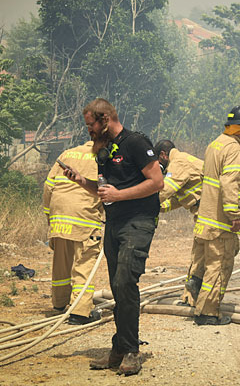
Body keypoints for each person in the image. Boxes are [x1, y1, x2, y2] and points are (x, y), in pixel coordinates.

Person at [63, 98, 163, 376]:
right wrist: (81, 181)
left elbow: (157, 182)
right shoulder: (104, 150)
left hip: (139, 221)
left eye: (91, 125)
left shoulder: (135, 143)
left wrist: (119, 195)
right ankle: (120, 347)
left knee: (124, 280)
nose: (89, 131)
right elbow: (105, 190)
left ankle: (131, 350)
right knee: (118, 288)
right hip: (115, 223)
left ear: (105, 119)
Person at [191, 105, 240, 326]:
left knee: (207, 264)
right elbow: (229, 182)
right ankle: (207, 312)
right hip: (220, 223)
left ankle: (198, 299)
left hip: (206, 218)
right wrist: (234, 213)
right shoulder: (233, 148)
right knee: (219, 267)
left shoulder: (216, 143)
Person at [43, 140, 104, 325]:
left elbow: (48, 187)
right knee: (85, 264)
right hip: (84, 218)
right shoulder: (103, 157)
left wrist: (50, 217)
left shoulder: (67, 154)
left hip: (59, 217)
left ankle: (60, 304)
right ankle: (79, 313)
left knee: (61, 263)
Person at [154, 139, 204, 306]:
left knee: (206, 255)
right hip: (202, 212)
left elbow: (165, 189)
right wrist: (158, 208)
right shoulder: (179, 164)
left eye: (158, 162)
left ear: (163, 155)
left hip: (208, 213)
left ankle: (204, 303)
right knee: (198, 254)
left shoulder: (179, 162)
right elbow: (176, 198)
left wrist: (141, 201)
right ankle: (190, 298)